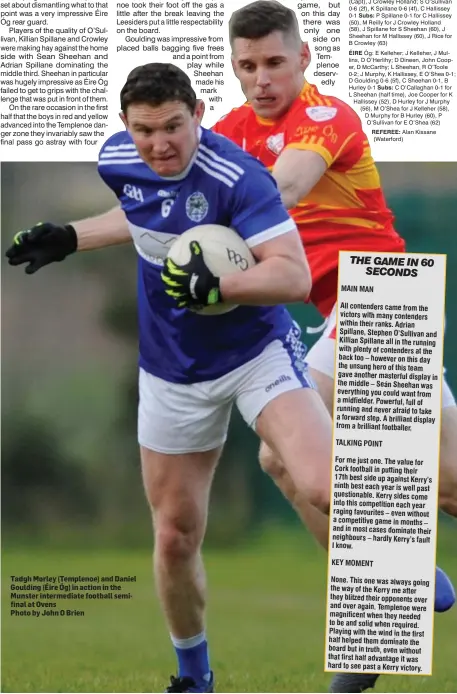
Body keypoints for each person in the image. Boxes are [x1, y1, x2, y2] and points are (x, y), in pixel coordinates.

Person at [5, 63, 335, 693]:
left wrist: (224, 285)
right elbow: (140, 211)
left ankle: (396, 572)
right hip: (170, 372)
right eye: (143, 130)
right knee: (176, 535)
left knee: (321, 484)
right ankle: (193, 677)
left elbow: (292, 275)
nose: (159, 144)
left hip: (255, 353)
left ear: (200, 114)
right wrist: (71, 237)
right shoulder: (119, 158)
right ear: (126, 127)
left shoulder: (240, 178)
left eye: (173, 128)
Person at [211, 2, 456, 691]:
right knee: (434, 483)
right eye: (246, 66)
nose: (260, 79)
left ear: (303, 57)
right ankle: (382, 612)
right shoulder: (226, 132)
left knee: (288, 453)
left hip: (384, 297)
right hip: (343, 314)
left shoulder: (326, 117)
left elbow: (281, 187)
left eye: (272, 62)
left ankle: (384, 605)